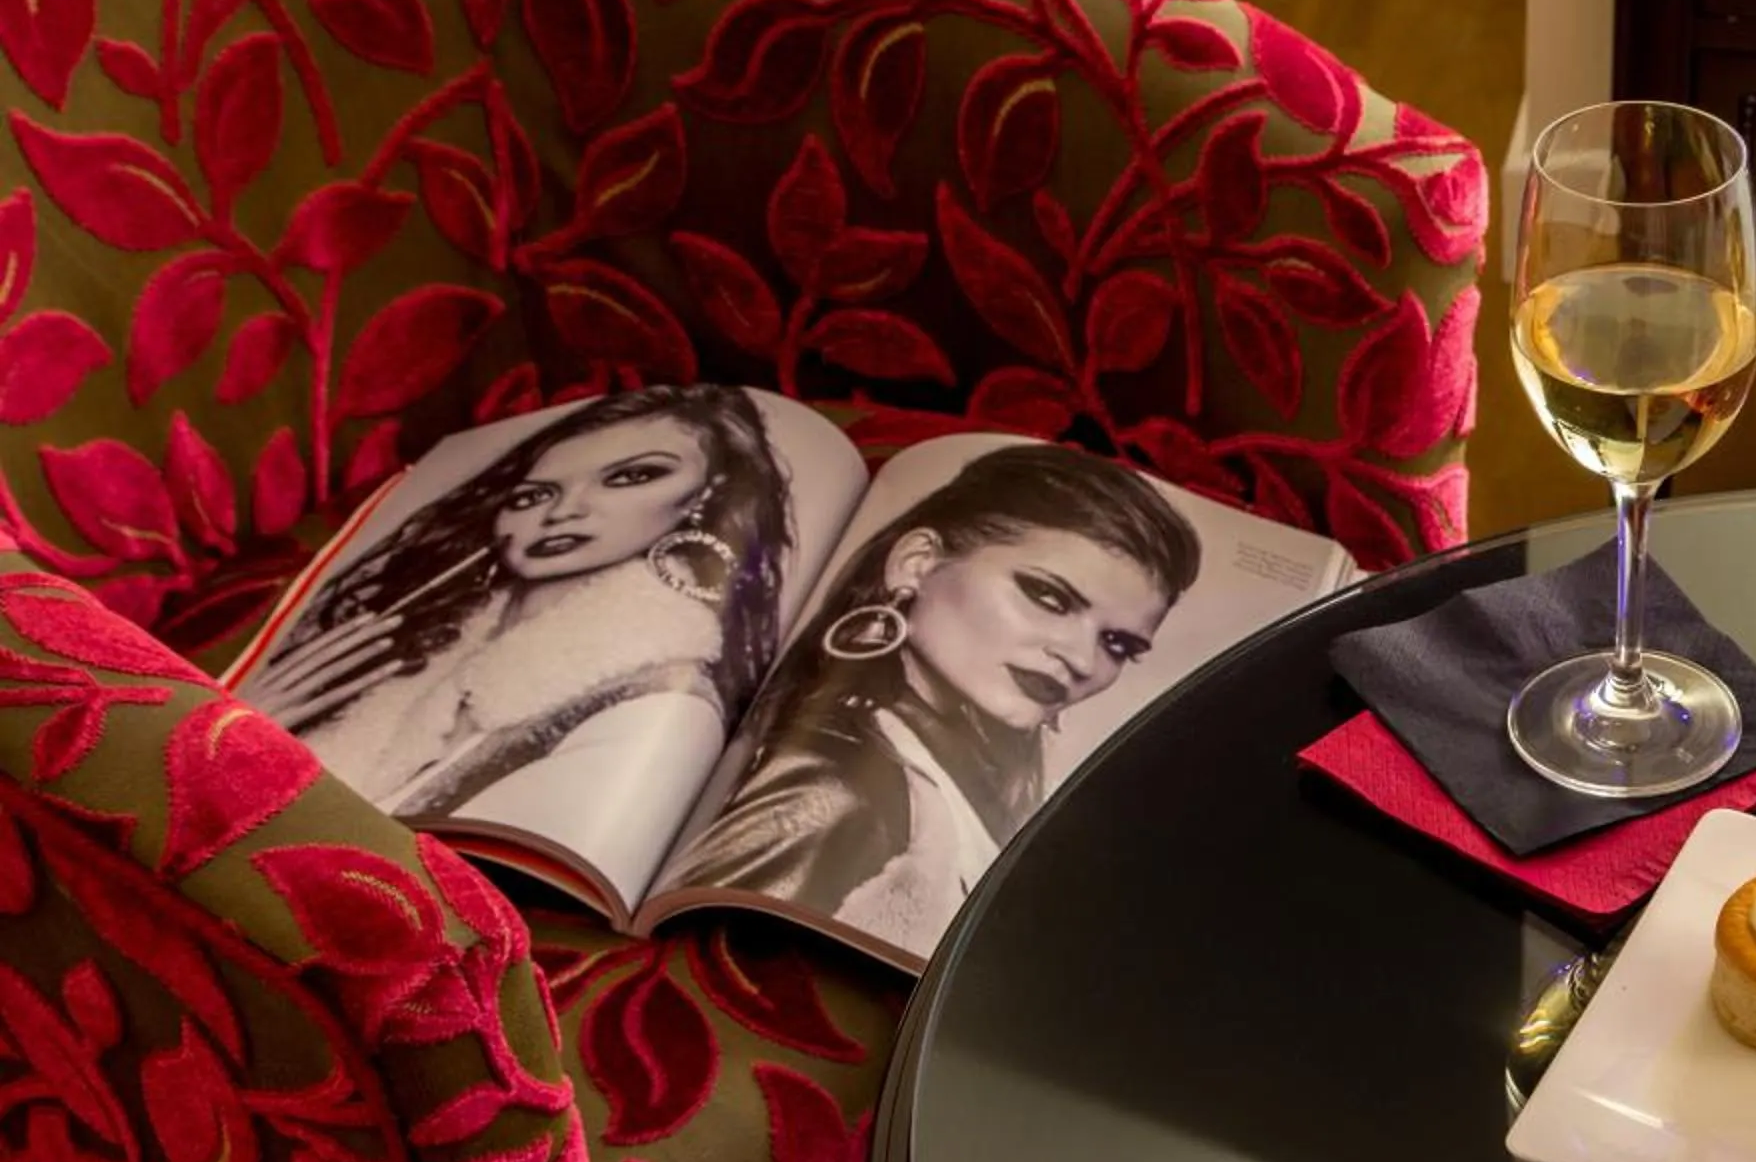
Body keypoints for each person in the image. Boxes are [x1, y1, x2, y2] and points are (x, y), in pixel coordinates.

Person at [672, 443, 1203, 953]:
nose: (1083, 660)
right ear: (917, 562)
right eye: (1048, 597)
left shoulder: (949, 775)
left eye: (1118, 644)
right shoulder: (835, 789)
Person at [238, 386, 793, 826]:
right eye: (534, 495)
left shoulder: (655, 692)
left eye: (631, 476)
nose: (563, 512)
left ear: (705, 497)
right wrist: (230, 732)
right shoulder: (409, 644)